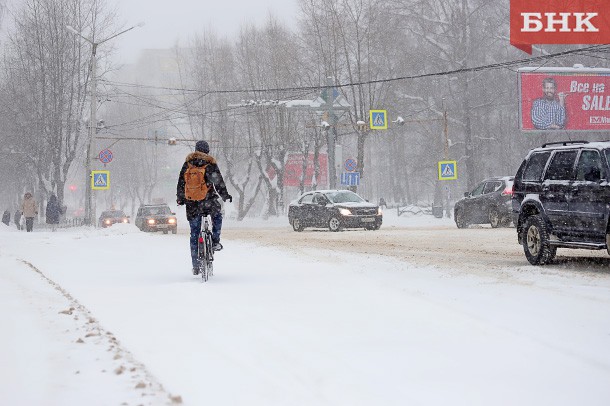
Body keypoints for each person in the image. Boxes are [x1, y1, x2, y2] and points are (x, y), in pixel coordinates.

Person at [176, 140, 232, 275]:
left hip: (192, 204)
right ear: (207, 151)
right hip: (208, 202)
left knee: (194, 234)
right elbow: (218, 182)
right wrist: (225, 195)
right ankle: (215, 242)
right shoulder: (210, 164)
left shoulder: (187, 164)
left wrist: (180, 198)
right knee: (217, 216)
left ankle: (195, 266)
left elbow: (181, 183)